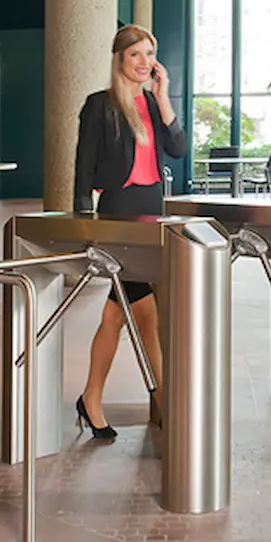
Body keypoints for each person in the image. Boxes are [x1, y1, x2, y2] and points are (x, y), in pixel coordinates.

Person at [72, 24, 187, 439]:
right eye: (135, 54)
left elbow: (179, 148)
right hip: (120, 212)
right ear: (119, 58)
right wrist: (84, 222)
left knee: (114, 313)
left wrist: (163, 95)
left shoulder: (154, 105)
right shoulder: (99, 105)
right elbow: (83, 166)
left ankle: (91, 398)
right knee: (146, 312)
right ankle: (168, 404)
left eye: (149, 53)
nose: (144, 62)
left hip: (151, 211)